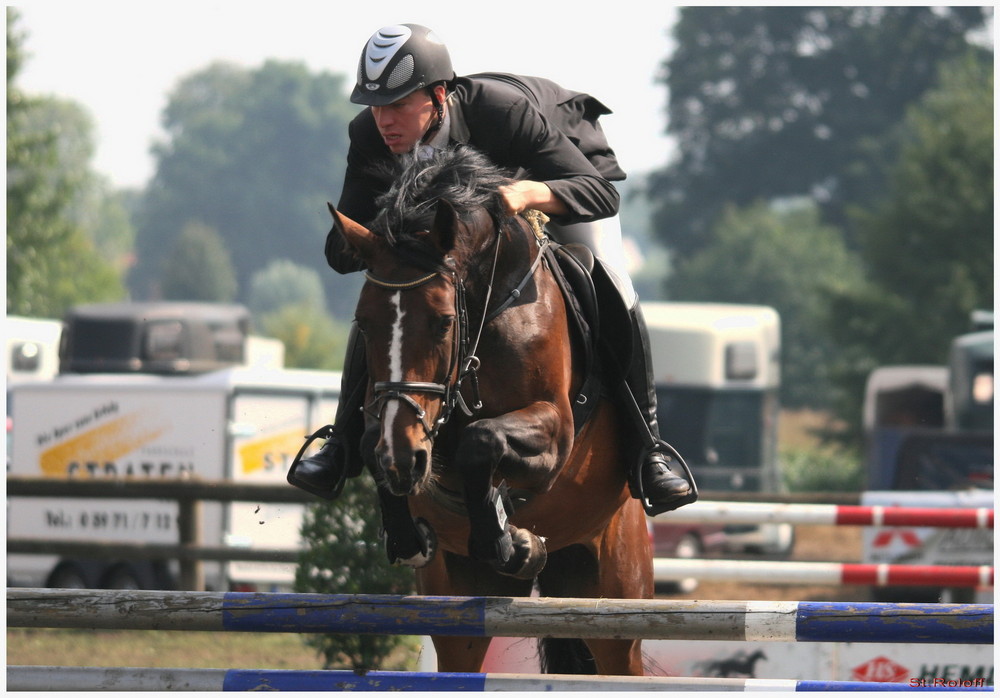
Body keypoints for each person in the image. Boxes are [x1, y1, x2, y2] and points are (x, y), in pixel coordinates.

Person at [288, 23, 696, 515]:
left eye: (397, 105)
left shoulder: (500, 112)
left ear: (438, 95)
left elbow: (601, 195)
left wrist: (529, 192)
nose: (383, 120)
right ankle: (342, 442)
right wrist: (383, 235)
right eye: (375, 106)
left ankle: (648, 449)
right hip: (465, 240)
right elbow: (340, 253)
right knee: (388, 302)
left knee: (609, 278)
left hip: (563, 183)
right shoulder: (370, 136)